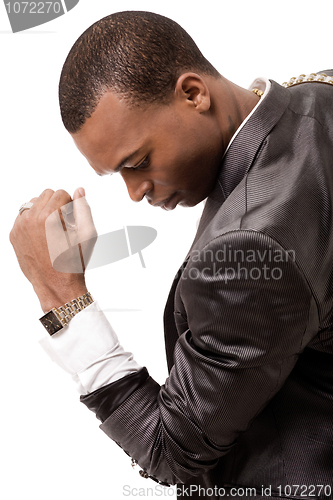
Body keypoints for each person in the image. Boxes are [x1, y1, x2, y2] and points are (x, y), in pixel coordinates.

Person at [10, 11, 333, 500]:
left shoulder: (246, 248)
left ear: (193, 93)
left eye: (138, 162)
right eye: (115, 175)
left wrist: (61, 295)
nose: (135, 191)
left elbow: (171, 453)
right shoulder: (319, 91)